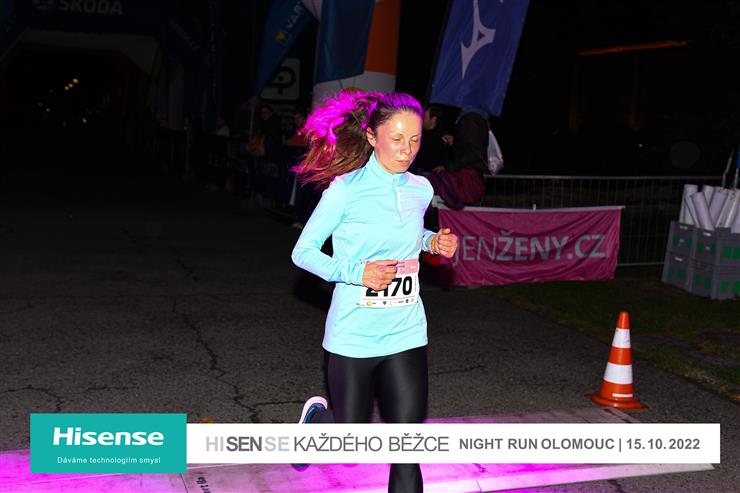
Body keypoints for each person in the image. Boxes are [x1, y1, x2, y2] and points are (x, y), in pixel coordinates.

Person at [291, 91, 458, 493]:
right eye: (396, 139)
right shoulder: (344, 191)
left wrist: (432, 242)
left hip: (405, 331)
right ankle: (317, 423)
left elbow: (409, 233)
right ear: (371, 137)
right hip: (354, 335)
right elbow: (303, 252)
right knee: (350, 437)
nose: (406, 150)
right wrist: (357, 272)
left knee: (407, 449)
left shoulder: (420, 188)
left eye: (415, 140)